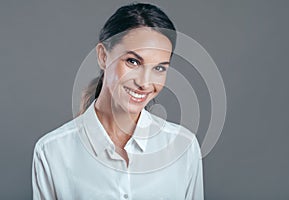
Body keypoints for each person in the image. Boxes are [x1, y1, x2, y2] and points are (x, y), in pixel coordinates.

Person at [32, 3, 204, 200]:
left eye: (159, 68)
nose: (144, 82)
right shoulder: (52, 151)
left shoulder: (184, 147)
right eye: (133, 61)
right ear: (103, 56)